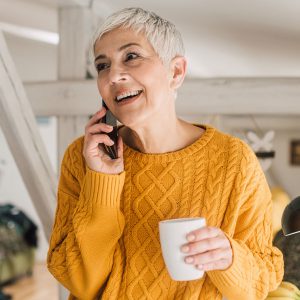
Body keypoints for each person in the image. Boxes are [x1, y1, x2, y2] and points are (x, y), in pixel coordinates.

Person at [47, 7, 284, 300]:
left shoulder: (235, 160)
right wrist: (101, 182)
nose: (113, 75)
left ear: (175, 71)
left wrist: (229, 259)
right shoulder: (82, 157)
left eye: (131, 57)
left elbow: (263, 281)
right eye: (102, 65)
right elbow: (77, 281)